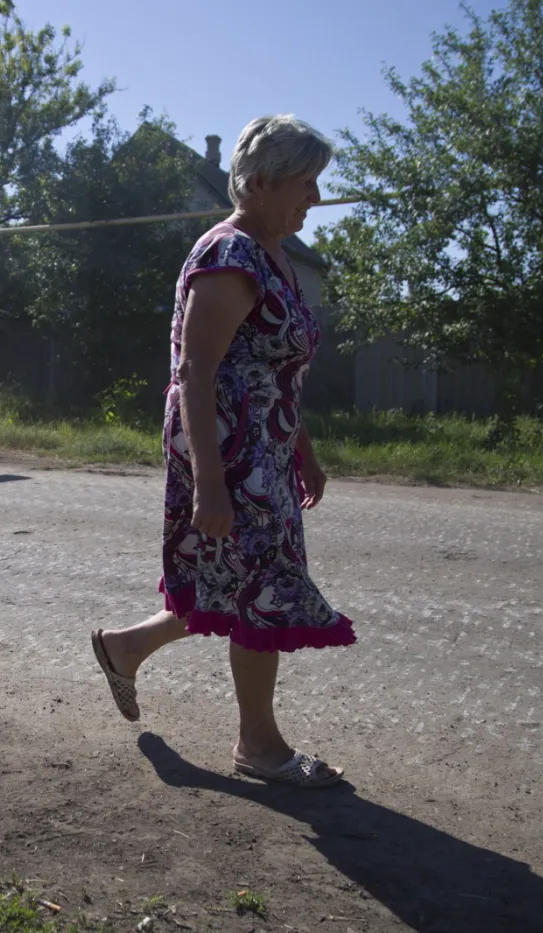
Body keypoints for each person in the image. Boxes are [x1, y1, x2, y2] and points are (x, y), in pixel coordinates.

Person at [90, 114, 354, 789]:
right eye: (306, 183)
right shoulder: (229, 255)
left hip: (261, 446)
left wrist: (305, 450)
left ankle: (125, 647)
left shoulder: (273, 256)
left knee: (237, 581)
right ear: (260, 182)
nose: (315, 199)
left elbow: (275, 370)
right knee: (263, 588)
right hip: (227, 450)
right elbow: (198, 372)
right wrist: (210, 481)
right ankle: (259, 747)